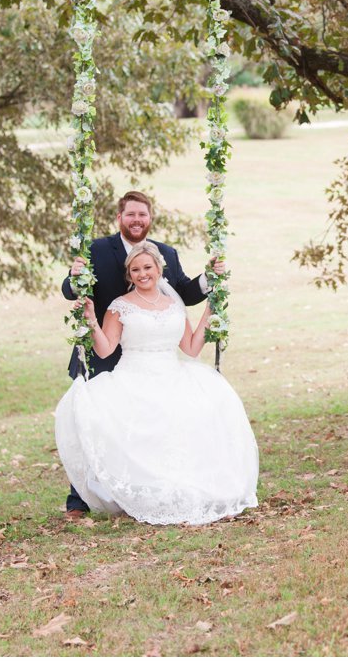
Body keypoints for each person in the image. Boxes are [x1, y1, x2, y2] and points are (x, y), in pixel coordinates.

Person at [54, 241, 259, 525]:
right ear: (129, 274)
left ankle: (193, 489)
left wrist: (210, 310)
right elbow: (104, 350)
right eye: (135, 270)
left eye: (147, 267)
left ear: (159, 269)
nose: (142, 274)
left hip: (173, 374)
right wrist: (90, 319)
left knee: (201, 412)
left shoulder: (174, 305)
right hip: (133, 377)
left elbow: (190, 347)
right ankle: (148, 495)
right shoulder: (119, 307)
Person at [60, 190, 221, 518]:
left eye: (142, 215)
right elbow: (69, 290)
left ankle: (156, 489)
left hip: (158, 357)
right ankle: (82, 500)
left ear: (150, 219)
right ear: (119, 218)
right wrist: (76, 281)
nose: (137, 220)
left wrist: (210, 281)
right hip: (107, 354)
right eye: (130, 214)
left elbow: (183, 293)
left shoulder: (166, 253)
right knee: (96, 425)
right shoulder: (96, 249)